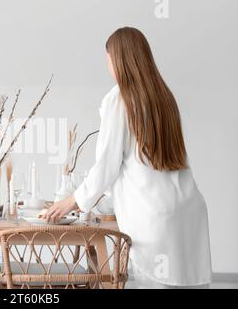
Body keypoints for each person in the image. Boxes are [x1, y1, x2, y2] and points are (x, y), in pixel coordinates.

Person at [44, 27, 212, 289]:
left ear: (119, 59)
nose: (108, 67)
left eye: (108, 60)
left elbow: (107, 166)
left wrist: (73, 200)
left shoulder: (119, 99)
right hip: (189, 210)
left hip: (155, 217)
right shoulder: (165, 98)